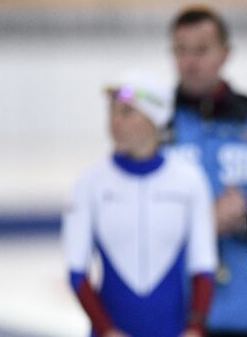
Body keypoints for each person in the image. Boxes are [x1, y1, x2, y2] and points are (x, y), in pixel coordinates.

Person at [62, 74, 218, 337]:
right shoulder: (89, 184)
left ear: (155, 119)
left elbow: (204, 266)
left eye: (126, 112)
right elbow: (77, 271)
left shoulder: (189, 180)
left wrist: (195, 328)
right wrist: (107, 330)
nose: (115, 122)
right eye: (111, 112)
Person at [169, 7, 247, 336]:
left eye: (201, 50)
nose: (190, 62)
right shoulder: (155, 133)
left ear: (225, 54)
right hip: (175, 315)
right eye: (181, 50)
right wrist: (201, 223)